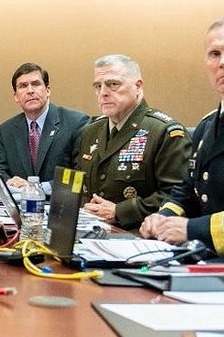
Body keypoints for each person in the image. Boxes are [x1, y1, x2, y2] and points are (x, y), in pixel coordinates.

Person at [140, 16, 224, 258]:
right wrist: (163, 218)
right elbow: (188, 191)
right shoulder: (208, 125)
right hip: (204, 260)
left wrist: (193, 229)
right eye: (214, 54)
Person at [75, 54, 191, 230]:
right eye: (98, 86)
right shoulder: (90, 132)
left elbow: (178, 195)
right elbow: (80, 186)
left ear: (138, 86)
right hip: (91, 232)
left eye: (113, 84)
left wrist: (120, 211)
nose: (104, 92)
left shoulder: (163, 132)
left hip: (139, 234)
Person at [0, 62, 89, 195]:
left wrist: (35, 188)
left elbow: (80, 174)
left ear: (48, 90)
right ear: (15, 96)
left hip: (59, 207)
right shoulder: (7, 130)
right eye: (23, 86)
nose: (30, 90)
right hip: (20, 206)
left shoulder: (75, 122)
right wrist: (11, 184)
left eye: (36, 84)